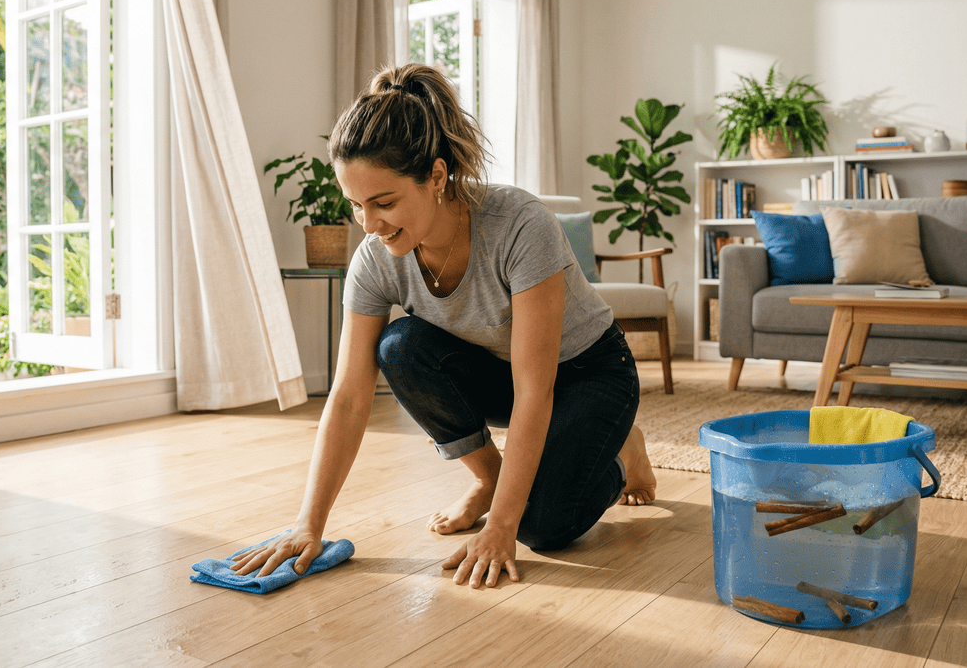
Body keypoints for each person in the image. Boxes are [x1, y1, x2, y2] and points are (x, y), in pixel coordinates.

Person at [231, 63, 656, 589]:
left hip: (591, 372)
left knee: (541, 527)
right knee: (400, 347)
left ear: (435, 177)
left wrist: (502, 527)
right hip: (504, 372)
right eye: (356, 205)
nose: (370, 224)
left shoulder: (520, 224)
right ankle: (488, 477)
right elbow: (347, 397)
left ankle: (619, 449)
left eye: (384, 203)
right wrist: (307, 524)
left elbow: (535, 391)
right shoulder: (375, 259)